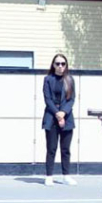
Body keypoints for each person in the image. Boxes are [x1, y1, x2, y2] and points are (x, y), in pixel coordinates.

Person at [42, 52, 76, 187]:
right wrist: (57, 113)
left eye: (63, 63)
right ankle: (49, 176)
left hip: (67, 117)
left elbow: (71, 99)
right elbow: (47, 99)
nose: (60, 66)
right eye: (57, 64)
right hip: (51, 116)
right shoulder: (48, 79)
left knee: (66, 148)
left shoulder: (70, 80)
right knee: (51, 148)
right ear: (53, 65)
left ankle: (66, 175)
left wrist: (63, 112)